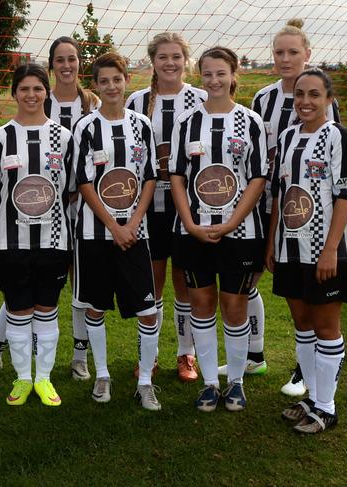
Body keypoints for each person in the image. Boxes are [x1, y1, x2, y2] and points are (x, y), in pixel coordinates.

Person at [0, 36, 99, 382]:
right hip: (20, 227)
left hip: (75, 216)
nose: (67, 65)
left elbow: (74, 184)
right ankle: (0, 357)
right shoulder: (4, 135)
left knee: (74, 287)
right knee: (21, 293)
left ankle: (76, 356)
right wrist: (22, 209)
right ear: (52, 66)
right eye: (60, 60)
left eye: (73, 59)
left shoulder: (90, 107)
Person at [235, 18, 342, 396]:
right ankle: (254, 355)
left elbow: (335, 162)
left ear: (307, 55)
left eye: (292, 52)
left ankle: (307, 370)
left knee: (310, 291)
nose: (285, 58)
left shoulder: (322, 97)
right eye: (279, 52)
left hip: (310, 215)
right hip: (266, 204)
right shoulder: (263, 99)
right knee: (248, 280)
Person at [169, 47, 268, 412]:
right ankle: (210, 383)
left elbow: (258, 178)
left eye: (220, 73)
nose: (213, 80)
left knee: (234, 305)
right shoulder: (187, 122)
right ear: (200, 75)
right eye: (207, 73)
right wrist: (190, 223)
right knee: (202, 304)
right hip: (194, 230)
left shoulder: (250, 121)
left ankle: (237, 382)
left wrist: (231, 222)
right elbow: (177, 177)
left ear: (233, 74)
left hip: (239, 233)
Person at [266, 68, 347, 433]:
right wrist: (273, 241)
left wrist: (330, 249)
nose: (305, 102)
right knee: (303, 326)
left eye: (314, 95)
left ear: (329, 99)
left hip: (325, 250)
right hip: (290, 250)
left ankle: (327, 407)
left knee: (326, 328)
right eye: (300, 95)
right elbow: (280, 195)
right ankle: (311, 396)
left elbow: (345, 196)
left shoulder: (340, 137)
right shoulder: (289, 137)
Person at [0, 63, 74, 406]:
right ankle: (22, 379)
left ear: (46, 92)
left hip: (54, 240)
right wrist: (17, 212)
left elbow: (72, 190)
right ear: (14, 93)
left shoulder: (64, 137)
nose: (31, 95)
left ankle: (44, 378)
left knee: (47, 308)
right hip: (10, 241)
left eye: (38, 88)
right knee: (19, 309)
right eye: (24, 89)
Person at [73, 52, 160, 411]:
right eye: (104, 81)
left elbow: (151, 177)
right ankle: (103, 374)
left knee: (148, 311)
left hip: (135, 234)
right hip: (97, 235)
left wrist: (133, 223)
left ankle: (145, 382)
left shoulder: (142, 124)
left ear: (127, 81)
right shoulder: (86, 127)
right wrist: (113, 226)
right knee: (96, 308)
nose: (111, 86)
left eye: (117, 79)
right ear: (96, 85)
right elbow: (83, 181)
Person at [126, 32, 207, 383]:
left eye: (176, 56)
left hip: (191, 205)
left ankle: (185, 354)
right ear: (153, 61)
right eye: (163, 57)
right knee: (153, 280)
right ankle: (150, 355)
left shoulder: (202, 99)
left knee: (184, 280)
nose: (170, 63)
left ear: (185, 60)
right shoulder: (138, 101)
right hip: (151, 206)